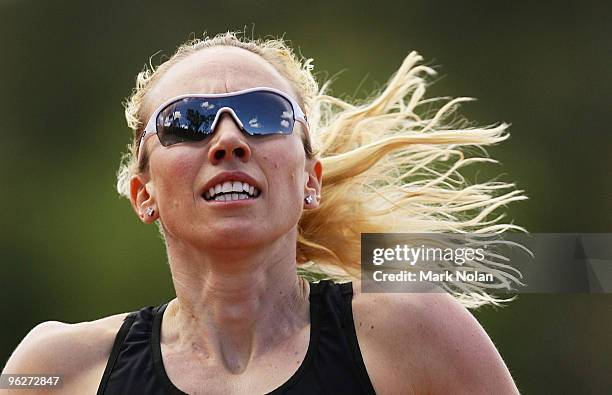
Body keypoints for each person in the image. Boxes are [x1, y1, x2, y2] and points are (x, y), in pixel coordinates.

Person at [1, 32, 523, 394]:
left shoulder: (413, 329)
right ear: (144, 195)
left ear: (309, 181)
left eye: (264, 116)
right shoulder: (55, 371)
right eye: (186, 121)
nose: (229, 140)